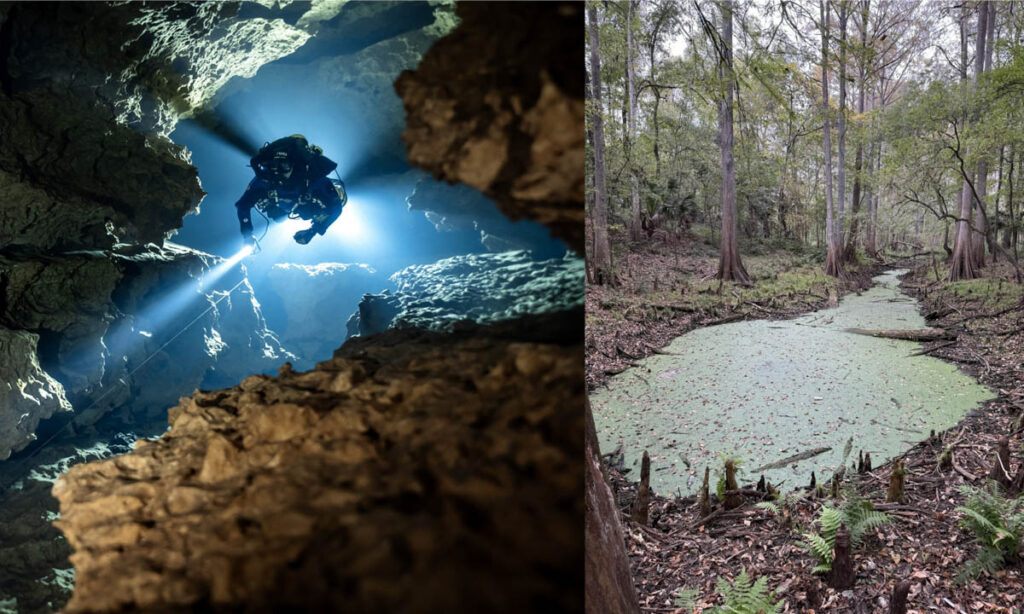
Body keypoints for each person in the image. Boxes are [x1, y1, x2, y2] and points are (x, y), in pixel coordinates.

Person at [235, 134, 347, 246]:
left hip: (304, 204)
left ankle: (335, 192)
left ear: (294, 164)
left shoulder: (312, 178)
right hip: (283, 205)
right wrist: (247, 235)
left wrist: (312, 231)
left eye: (284, 165)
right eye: (276, 165)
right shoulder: (266, 178)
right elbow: (243, 205)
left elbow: (336, 208)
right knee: (278, 217)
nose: (279, 171)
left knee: (308, 213)